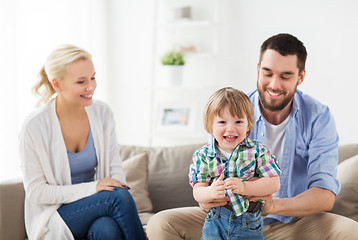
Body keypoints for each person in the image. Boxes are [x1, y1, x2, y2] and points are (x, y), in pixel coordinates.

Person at [146, 33, 358, 239]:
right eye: (267, 73)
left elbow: (324, 195)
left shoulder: (318, 117)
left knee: (350, 231)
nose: (274, 84)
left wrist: (271, 205)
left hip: (292, 222)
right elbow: (206, 179)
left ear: (300, 77)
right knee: (161, 224)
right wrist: (208, 197)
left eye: (285, 76)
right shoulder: (232, 111)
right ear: (258, 69)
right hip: (227, 217)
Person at [19, 44, 146, 240]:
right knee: (117, 196)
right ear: (57, 84)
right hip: (55, 216)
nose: (91, 86)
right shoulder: (34, 126)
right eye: (81, 81)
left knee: (107, 228)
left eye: (93, 77)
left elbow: (115, 169)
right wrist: (94, 188)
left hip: (96, 207)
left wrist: (104, 189)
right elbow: (36, 192)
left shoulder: (102, 113)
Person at [189, 87, 281, 239]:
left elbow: (274, 183)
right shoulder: (203, 155)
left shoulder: (258, 151)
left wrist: (245, 187)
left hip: (248, 222)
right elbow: (198, 190)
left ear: (248, 124)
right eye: (222, 122)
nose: (230, 128)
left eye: (238, 121)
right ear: (210, 125)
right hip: (215, 220)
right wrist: (209, 192)